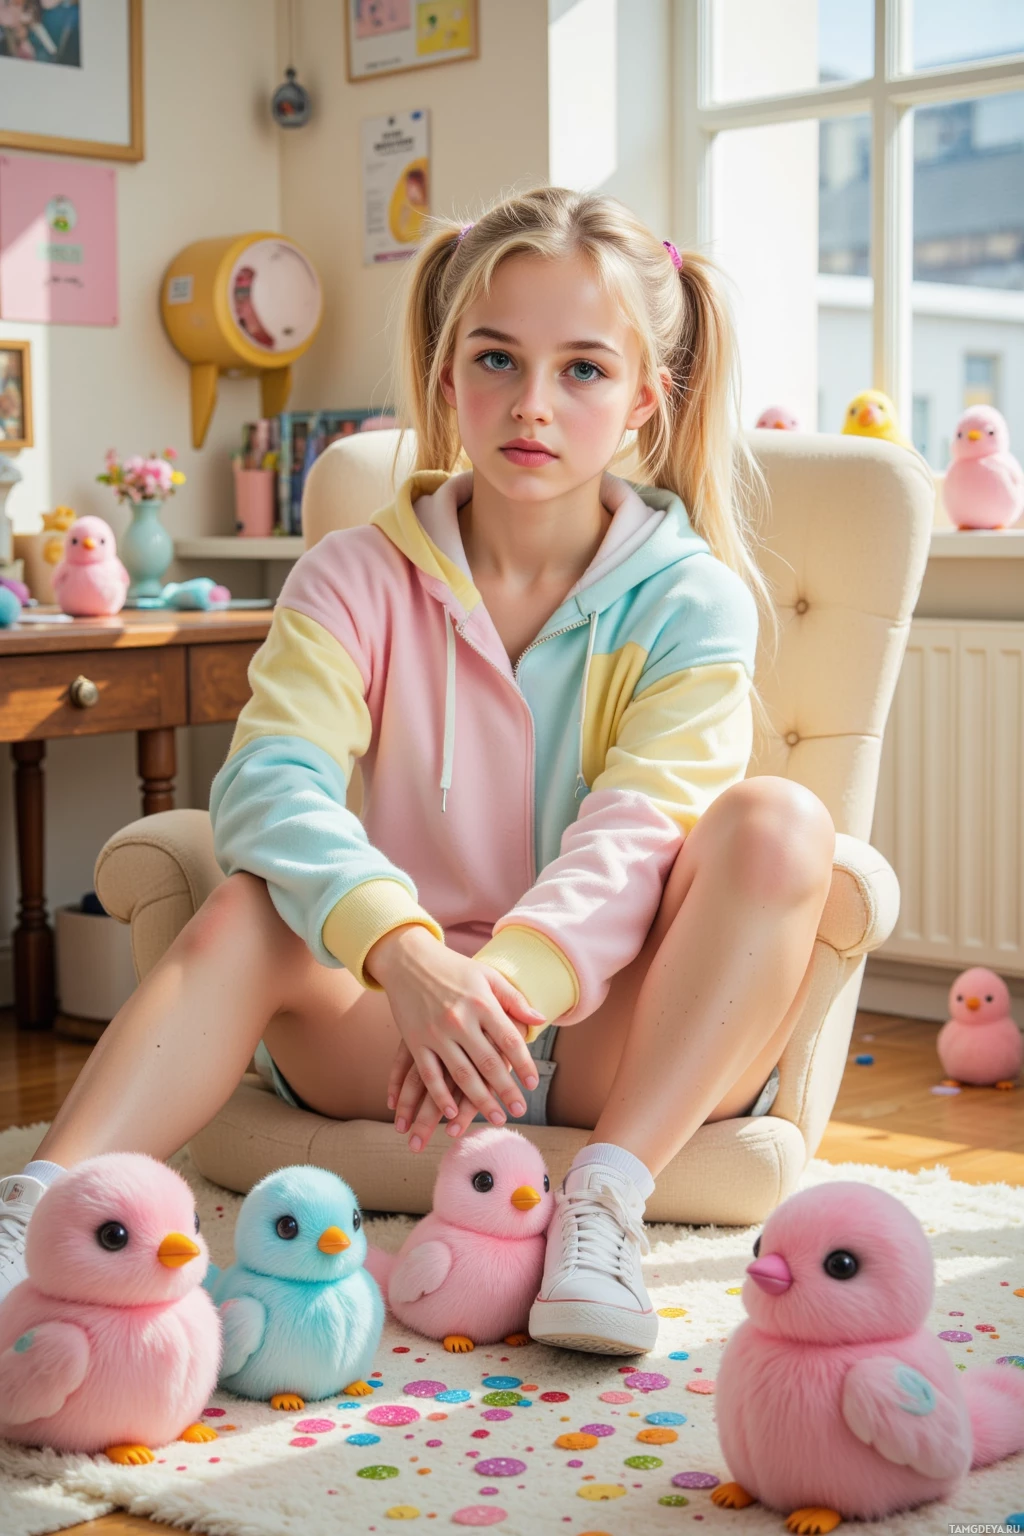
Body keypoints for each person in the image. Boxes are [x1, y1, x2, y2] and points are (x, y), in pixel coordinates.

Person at [0, 186, 835, 1354]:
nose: (531, 404)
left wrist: (500, 998)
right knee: (248, 906)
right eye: (496, 358)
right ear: (449, 377)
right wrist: (409, 961)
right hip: (391, 1030)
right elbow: (270, 786)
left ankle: (600, 1206)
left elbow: (640, 833)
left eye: (583, 370)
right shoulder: (353, 574)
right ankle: (36, 1218)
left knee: (780, 825)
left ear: (645, 397)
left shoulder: (690, 597)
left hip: (615, 1044)